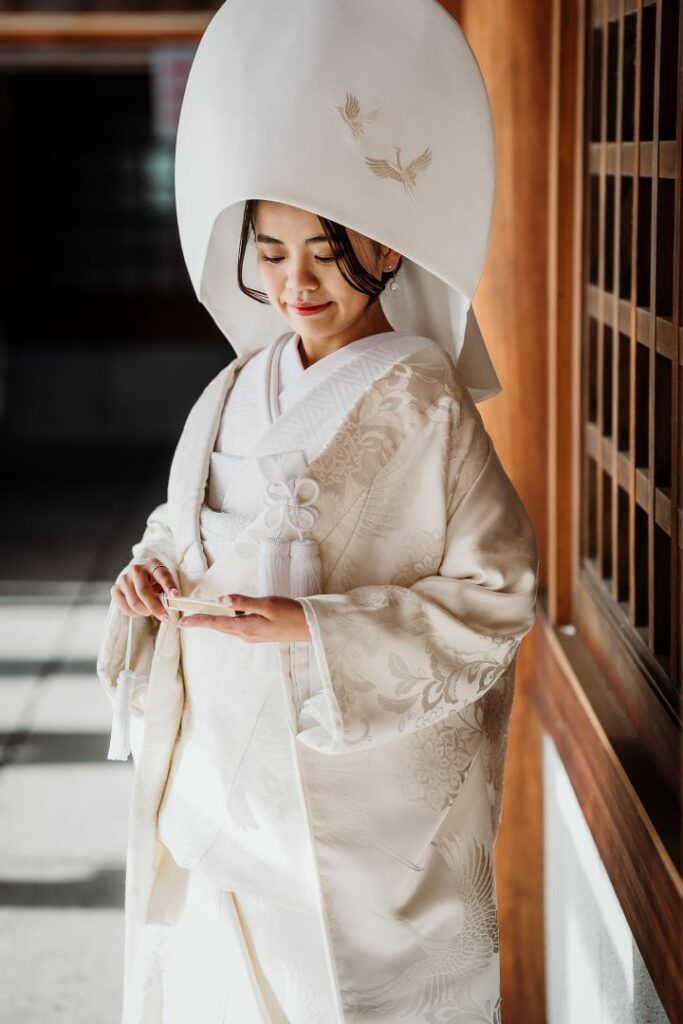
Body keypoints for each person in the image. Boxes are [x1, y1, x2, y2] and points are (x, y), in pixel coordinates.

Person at [96, 2, 539, 1022]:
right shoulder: (234, 385)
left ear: (382, 248)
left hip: (336, 805)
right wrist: (148, 574)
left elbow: (498, 593)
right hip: (215, 772)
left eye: (325, 251)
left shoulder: (421, 398)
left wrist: (312, 626)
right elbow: (184, 527)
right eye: (271, 250)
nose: (295, 282)